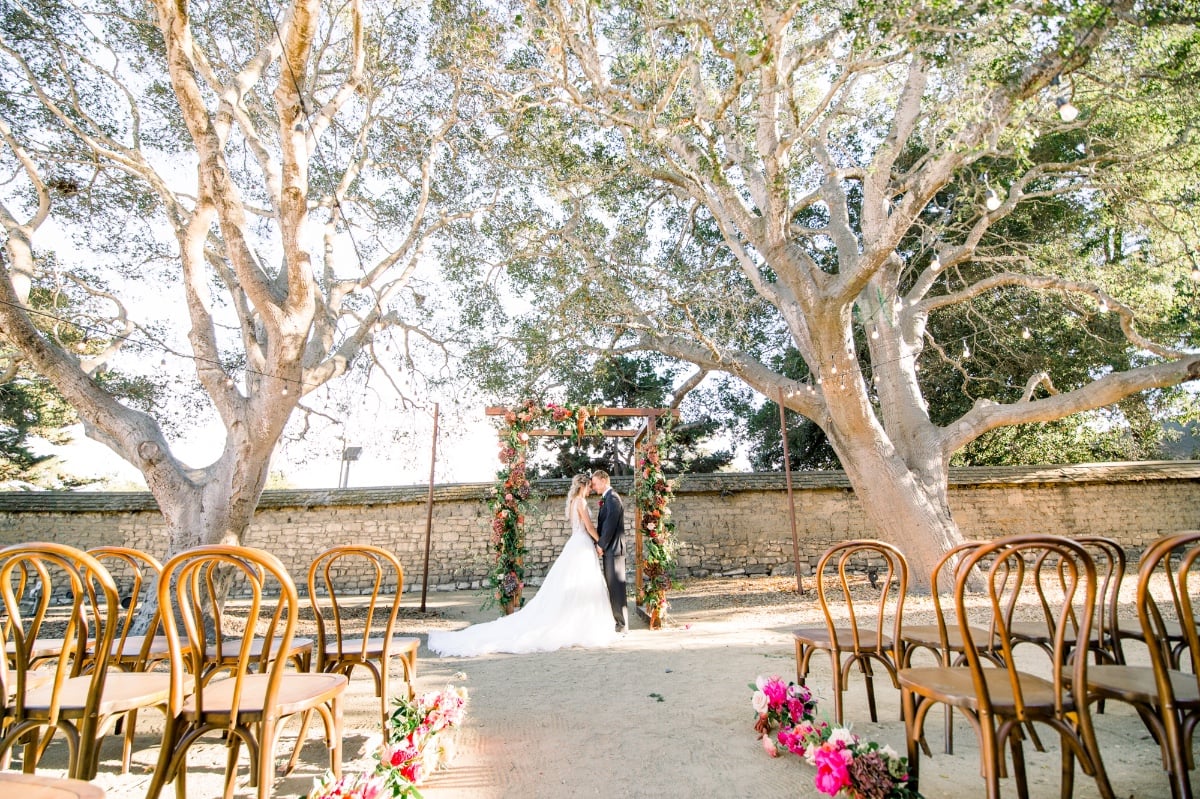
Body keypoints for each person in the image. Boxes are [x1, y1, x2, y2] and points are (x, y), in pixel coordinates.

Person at [427, 474, 619, 656]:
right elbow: (589, 526)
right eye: (589, 486)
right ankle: (581, 624)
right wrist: (601, 542)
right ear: (583, 486)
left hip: (575, 543)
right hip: (582, 543)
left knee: (573, 584)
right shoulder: (581, 502)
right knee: (582, 583)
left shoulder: (571, 502)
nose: (591, 490)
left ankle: (577, 621)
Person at [591, 469, 628, 632]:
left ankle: (622, 624)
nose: (593, 486)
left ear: (604, 480)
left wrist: (601, 544)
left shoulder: (612, 498)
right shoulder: (608, 498)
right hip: (610, 550)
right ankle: (619, 622)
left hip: (613, 549)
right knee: (613, 586)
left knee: (616, 587)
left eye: (595, 483)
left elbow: (610, 525)